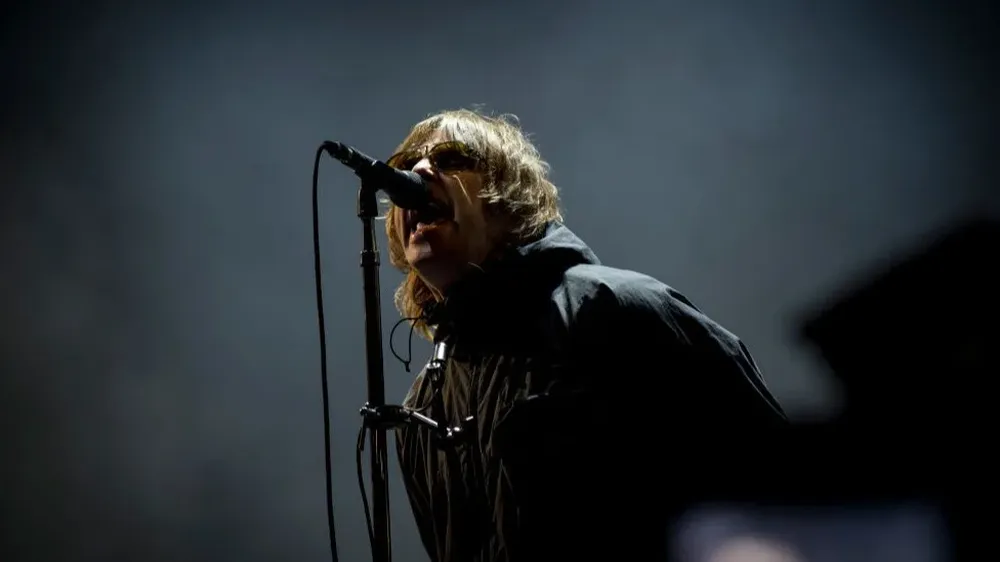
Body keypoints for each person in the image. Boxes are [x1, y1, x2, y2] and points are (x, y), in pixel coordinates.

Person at [383, 108, 787, 562]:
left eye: (450, 157)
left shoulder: (617, 306)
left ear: (506, 197)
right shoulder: (423, 406)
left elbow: (783, 485)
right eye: (406, 163)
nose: (417, 171)